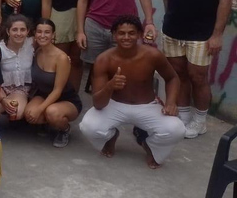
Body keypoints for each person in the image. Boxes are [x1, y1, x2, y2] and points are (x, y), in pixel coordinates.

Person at [79, 16, 185, 169]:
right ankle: (111, 137)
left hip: (147, 106)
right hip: (113, 105)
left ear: (140, 35)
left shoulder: (153, 55)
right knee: (89, 126)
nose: (126, 37)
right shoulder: (104, 59)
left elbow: (172, 78)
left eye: (131, 33)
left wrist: (171, 102)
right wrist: (110, 86)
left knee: (176, 129)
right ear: (114, 35)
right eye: (121, 33)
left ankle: (150, 145)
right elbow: (98, 103)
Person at [162, 0, 233, 138]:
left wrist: (217, 35)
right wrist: (169, 14)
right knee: (178, 74)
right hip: (173, 31)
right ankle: (183, 115)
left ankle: (200, 120)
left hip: (202, 34)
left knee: (198, 77)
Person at [23, 18, 82, 148]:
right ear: (35, 34)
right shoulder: (37, 52)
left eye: (47, 32)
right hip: (43, 94)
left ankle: (64, 129)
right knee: (29, 114)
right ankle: (48, 123)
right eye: (39, 32)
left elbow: (57, 90)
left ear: (53, 35)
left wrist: (40, 108)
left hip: (66, 98)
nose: (42, 35)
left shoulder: (62, 58)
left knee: (52, 113)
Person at [0, 15, 34, 121]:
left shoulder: (32, 43)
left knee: (16, 112)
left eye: (22, 30)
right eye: (15, 30)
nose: (19, 33)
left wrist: (64, 57)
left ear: (28, 31)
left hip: (20, 89)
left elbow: (48, 48)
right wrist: (2, 98)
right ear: (8, 32)